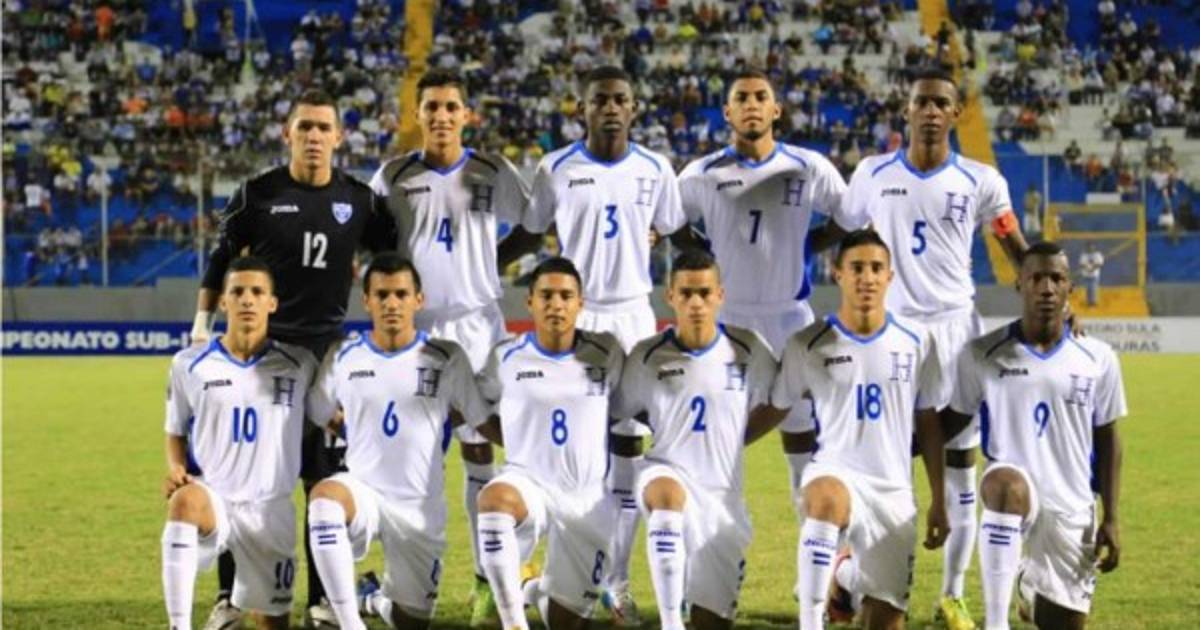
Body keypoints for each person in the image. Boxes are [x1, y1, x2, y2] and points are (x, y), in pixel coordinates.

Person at [192, 89, 396, 629]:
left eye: (323, 127)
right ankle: (231, 597)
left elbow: (390, 262)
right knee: (244, 480)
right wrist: (200, 328)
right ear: (287, 133)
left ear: (339, 136)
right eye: (304, 126)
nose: (313, 136)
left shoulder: (359, 199)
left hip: (327, 360)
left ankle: (324, 599)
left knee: (323, 482)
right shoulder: (258, 194)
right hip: (263, 361)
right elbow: (220, 259)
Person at [842, 67, 1029, 629]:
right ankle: (856, 580)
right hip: (890, 334)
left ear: (954, 114)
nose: (929, 111)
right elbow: (847, 240)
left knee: (960, 468)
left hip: (956, 334)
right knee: (878, 467)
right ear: (906, 110)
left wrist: (1057, 303)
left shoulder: (980, 180)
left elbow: (1015, 247)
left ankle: (952, 595)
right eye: (920, 102)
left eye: (939, 103)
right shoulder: (872, 173)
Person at [521, 65, 702, 623]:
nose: (610, 108)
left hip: (632, 318)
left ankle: (616, 585)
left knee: (629, 458)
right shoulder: (555, 168)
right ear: (582, 109)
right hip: (575, 319)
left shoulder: (655, 168)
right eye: (599, 99)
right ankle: (556, 575)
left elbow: (674, 230)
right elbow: (529, 231)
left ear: (633, 108)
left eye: (620, 99)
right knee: (570, 456)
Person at [368, 69, 537, 625]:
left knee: (481, 449)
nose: (441, 116)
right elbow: (375, 247)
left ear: (467, 115)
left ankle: (488, 578)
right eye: (432, 107)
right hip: (418, 332)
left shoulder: (493, 171)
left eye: (451, 107)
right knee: (411, 458)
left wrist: (492, 262)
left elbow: (534, 226)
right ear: (417, 114)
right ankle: (404, 582)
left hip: (479, 327)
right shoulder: (392, 177)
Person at [677, 68, 854, 585]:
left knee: (805, 448)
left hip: (790, 321)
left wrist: (809, 246)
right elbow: (670, 223)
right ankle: (702, 572)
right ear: (727, 112)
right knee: (715, 447)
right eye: (741, 98)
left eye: (761, 97)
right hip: (727, 325)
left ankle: (817, 575)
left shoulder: (808, 167)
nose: (751, 104)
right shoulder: (701, 174)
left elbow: (848, 218)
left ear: (776, 109)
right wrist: (706, 254)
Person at [765, 230, 949, 630]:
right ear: (838, 274)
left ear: (890, 277)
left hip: (893, 492)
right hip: (834, 472)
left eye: (876, 268)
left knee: (883, 620)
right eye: (857, 268)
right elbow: (775, 407)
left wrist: (939, 498)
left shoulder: (918, 341)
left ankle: (845, 578)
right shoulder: (808, 343)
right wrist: (731, 440)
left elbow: (930, 424)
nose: (867, 277)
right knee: (825, 498)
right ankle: (811, 621)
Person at [943, 242, 1126, 629]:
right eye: (1036, 278)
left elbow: (1109, 438)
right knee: (1004, 485)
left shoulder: (1098, 358)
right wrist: (899, 438)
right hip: (1014, 489)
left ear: (1069, 287)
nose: (1046, 288)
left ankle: (1028, 586)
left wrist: (1111, 517)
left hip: (1072, 506)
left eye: (1056, 278)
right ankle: (996, 622)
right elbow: (952, 422)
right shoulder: (982, 354)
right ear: (1020, 284)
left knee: (1063, 623)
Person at [304, 253, 488, 630]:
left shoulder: (446, 357)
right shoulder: (344, 356)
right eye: (382, 295)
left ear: (418, 300)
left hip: (418, 509)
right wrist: (354, 432)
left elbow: (479, 418)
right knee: (323, 501)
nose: (391, 304)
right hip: (364, 492)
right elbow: (319, 410)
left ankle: (371, 599)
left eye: (401, 294)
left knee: (412, 620)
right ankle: (349, 622)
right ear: (367, 300)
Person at [613, 250, 778, 630]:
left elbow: (780, 400)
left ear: (720, 295)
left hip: (723, 499)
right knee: (666, 499)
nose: (696, 303)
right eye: (686, 293)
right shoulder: (647, 356)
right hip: (666, 471)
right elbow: (616, 409)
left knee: (712, 621)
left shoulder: (748, 349)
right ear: (670, 296)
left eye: (704, 293)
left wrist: (738, 437)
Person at [161, 256, 318, 630]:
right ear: (223, 302)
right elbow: (175, 430)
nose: (247, 299)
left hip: (270, 510)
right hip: (214, 499)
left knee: (273, 622)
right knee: (184, 503)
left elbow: (329, 415)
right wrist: (177, 469)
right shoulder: (189, 364)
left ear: (272, 303)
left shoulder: (300, 364)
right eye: (238, 292)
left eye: (257, 292)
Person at [473, 257, 625, 630]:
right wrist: (511, 440)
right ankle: (513, 621)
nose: (556, 304)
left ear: (580, 303)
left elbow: (630, 406)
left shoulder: (607, 352)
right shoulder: (504, 357)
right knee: (493, 501)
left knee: (566, 621)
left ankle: (531, 588)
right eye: (546, 296)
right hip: (528, 484)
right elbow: (471, 408)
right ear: (530, 302)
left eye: (565, 296)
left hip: (586, 500)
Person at [1079, 242, 1104, 307]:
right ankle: (1088, 302)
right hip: (1086, 274)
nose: (1091, 248)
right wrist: (1087, 268)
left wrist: (1093, 268)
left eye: (1092, 246)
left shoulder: (1097, 254)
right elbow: (1081, 264)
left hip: (1094, 275)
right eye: (1089, 246)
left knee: (1093, 288)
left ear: (1094, 247)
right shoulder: (1084, 255)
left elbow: (1100, 263)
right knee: (1087, 288)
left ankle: (1093, 302)